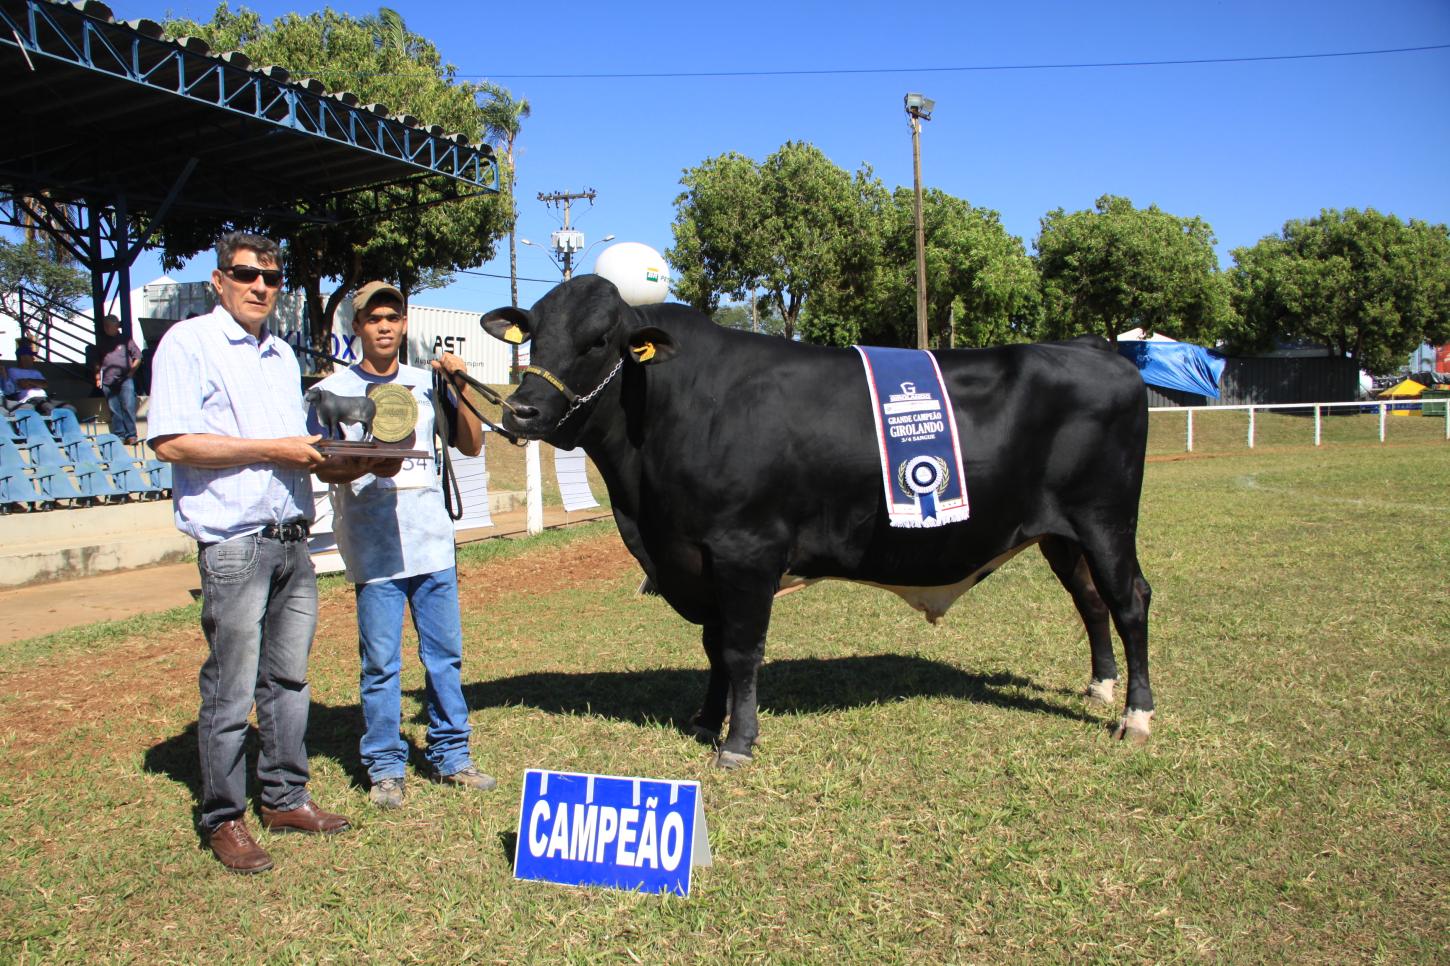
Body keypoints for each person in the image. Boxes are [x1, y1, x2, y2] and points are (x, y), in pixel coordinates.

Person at [147, 231, 351, 874]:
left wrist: (331, 461)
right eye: (246, 274)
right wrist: (275, 449)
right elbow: (173, 443)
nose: (260, 286)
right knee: (231, 689)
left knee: (290, 680)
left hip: (292, 537)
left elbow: (292, 445)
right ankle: (223, 817)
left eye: (271, 276)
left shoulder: (283, 356)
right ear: (219, 280)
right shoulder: (189, 343)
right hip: (234, 545)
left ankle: (286, 796)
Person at [312, 280, 496, 809]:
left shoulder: (425, 384)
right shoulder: (333, 389)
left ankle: (451, 754)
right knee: (381, 664)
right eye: (374, 318)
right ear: (358, 326)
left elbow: (471, 443)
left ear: (405, 323)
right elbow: (320, 460)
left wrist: (459, 387)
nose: (385, 326)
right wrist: (367, 461)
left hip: (432, 543)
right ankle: (386, 766)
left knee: (445, 657)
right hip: (374, 549)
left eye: (393, 316)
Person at [94, 315, 141, 444]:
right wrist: (97, 377)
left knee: (128, 406)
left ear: (116, 326)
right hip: (108, 380)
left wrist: (131, 372)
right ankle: (119, 435)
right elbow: (97, 361)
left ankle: (131, 435)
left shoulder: (126, 339)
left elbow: (138, 356)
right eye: (106, 326)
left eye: (110, 326)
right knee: (114, 409)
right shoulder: (102, 342)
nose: (107, 328)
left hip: (125, 378)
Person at [2, 340, 71, 416]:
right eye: (30, 356)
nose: (33, 359)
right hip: (30, 399)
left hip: (45, 398)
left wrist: (29, 381)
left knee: (69, 408)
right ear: (23, 357)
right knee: (50, 409)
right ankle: (51, 427)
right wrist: (37, 383)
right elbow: (23, 385)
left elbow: (45, 385)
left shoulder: (36, 372)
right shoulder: (13, 371)